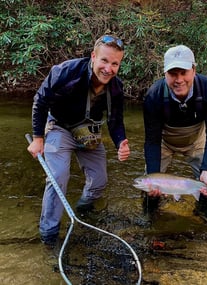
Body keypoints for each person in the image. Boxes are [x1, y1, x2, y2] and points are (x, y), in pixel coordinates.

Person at [27, 34, 130, 246]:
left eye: (114, 64)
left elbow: (115, 121)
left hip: (88, 131)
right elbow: (40, 101)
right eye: (104, 60)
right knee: (57, 178)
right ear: (93, 56)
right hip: (59, 127)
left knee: (99, 180)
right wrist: (38, 138)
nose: (108, 69)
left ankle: (83, 211)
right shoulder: (66, 72)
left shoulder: (116, 88)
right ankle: (49, 234)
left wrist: (121, 141)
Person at [143, 45, 207, 225]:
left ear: (193, 70)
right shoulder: (153, 96)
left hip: (196, 139)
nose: (179, 80)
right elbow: (152, 141)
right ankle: (149, 214)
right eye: (173, 74)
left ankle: (203, 211)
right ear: (165, 74)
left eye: (183, 72)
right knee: (149, 181)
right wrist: (154, 176)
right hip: (164, 141)